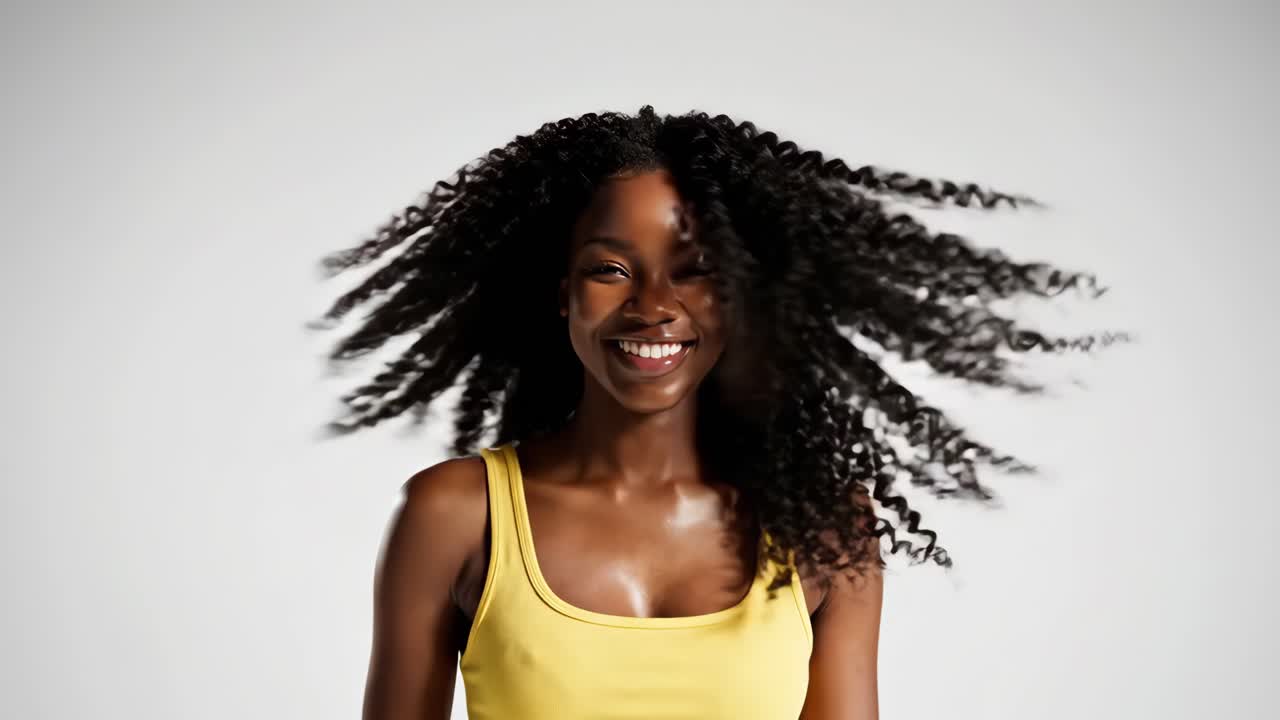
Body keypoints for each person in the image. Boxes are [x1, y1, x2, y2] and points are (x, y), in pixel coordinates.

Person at [311, 106, 1126, 720]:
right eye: (609, 269)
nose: (654, 307)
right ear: (561, 293)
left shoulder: (825, 530)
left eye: (696, 271)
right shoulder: (457, 513)